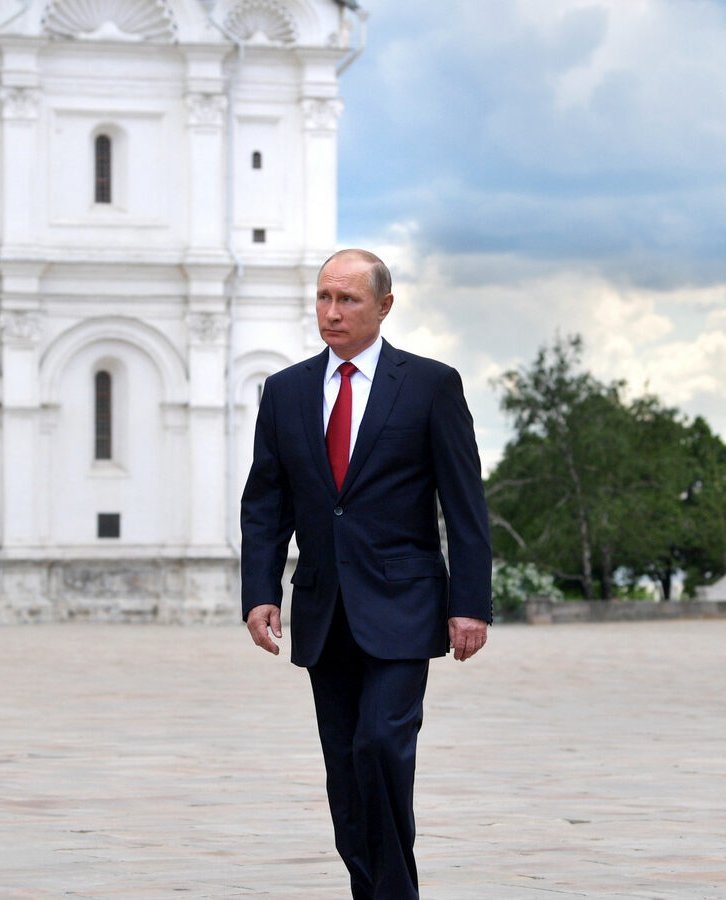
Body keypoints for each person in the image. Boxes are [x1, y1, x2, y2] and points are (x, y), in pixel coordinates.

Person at [240, 248, 492, 899]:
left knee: (381, 744)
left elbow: (464, 503)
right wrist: (260, 593)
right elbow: (266, 501)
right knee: (346, 776)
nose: (332, 312)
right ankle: (375, 891)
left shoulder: (431, 385)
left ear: (383, 306)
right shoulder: (287, 390)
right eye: (324, 297)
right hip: (325, 612)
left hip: (405, 606)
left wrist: (471, 603)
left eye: (347, 299)